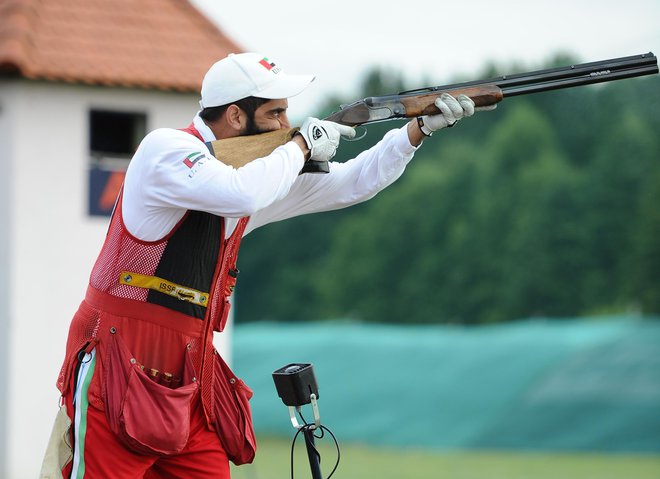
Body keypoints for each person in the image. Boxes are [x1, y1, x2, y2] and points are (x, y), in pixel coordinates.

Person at [43, 52, 486, 478]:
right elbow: (241, 193)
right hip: (119, 361)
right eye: (275, 114)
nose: (287, 126)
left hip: (190, 372)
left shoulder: (257, 173)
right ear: (236, 117)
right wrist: (298, 147)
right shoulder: (167, 149)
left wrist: (415, 132)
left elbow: (354, 182)